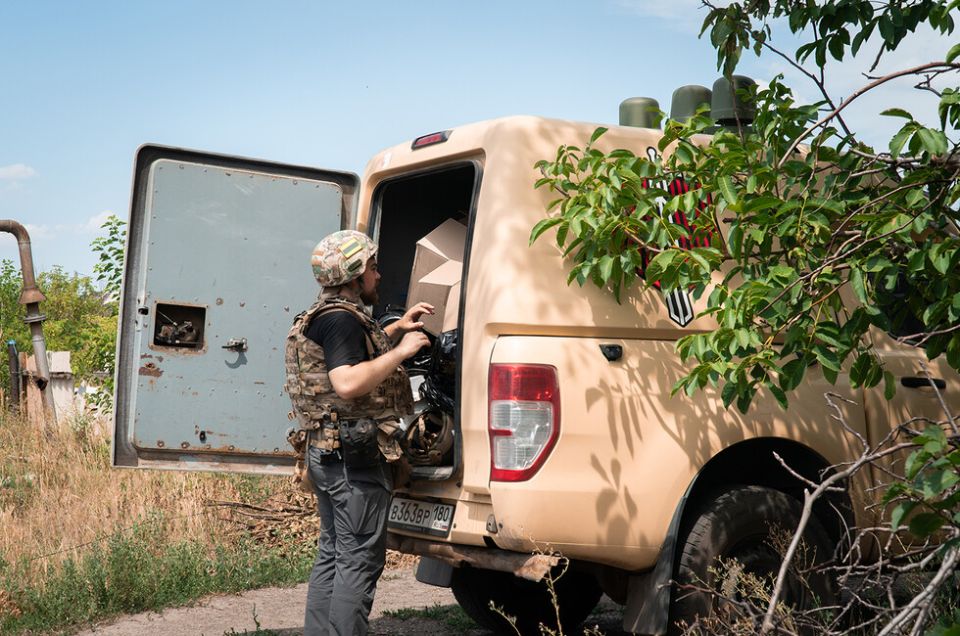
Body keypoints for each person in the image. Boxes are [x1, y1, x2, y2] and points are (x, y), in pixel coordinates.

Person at [285, 230, 432, 636]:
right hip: (354, 458)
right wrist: (403, 352)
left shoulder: (326, 316)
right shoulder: (341, 321)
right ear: (353, 275)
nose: (378, 275)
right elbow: (347, 382)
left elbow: (350, 354)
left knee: (333, 554)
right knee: (358, 560)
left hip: (329, 450)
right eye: (372, 267)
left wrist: (397, 329)